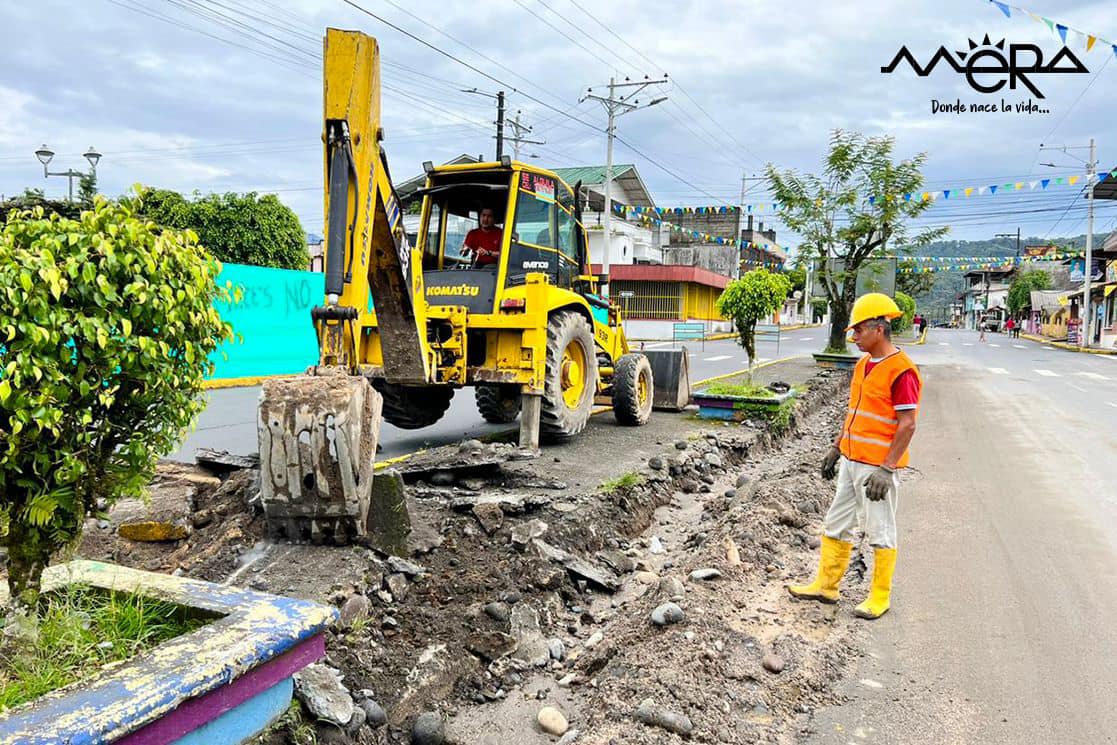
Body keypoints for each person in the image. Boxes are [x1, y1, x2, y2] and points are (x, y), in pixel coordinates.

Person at [788, 292, 921, 620]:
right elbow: (854, 414)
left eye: (859, 330)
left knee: (880, 530)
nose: (854, 336)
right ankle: (826, 585)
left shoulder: (902, 371)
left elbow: (907, 424)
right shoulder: (863, 364)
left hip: (876, 469)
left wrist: (887, 469)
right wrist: (837, 447)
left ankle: (879, 596)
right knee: (836, 523)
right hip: (851, 460)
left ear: (879, 329)